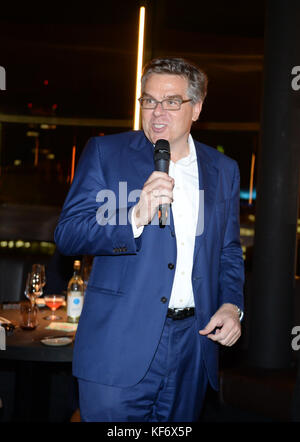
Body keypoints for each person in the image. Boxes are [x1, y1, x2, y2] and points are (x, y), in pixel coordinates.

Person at [54, 57, 244, 422]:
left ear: (197, 108)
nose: (157, 111)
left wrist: (232, 305)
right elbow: (68, 234)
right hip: (118, 344)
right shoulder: (106, 154)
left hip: (193, 342)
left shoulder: (223, 169)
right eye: (148, 100)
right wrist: (133, 218)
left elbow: (228, 250)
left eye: (172, 101)